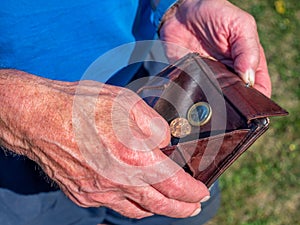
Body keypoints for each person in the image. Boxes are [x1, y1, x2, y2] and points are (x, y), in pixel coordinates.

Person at [0, 0, 272, 224]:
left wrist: (176, 5)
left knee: (176, 210)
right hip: (15, 157)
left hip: (146, 76)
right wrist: (22, 111)